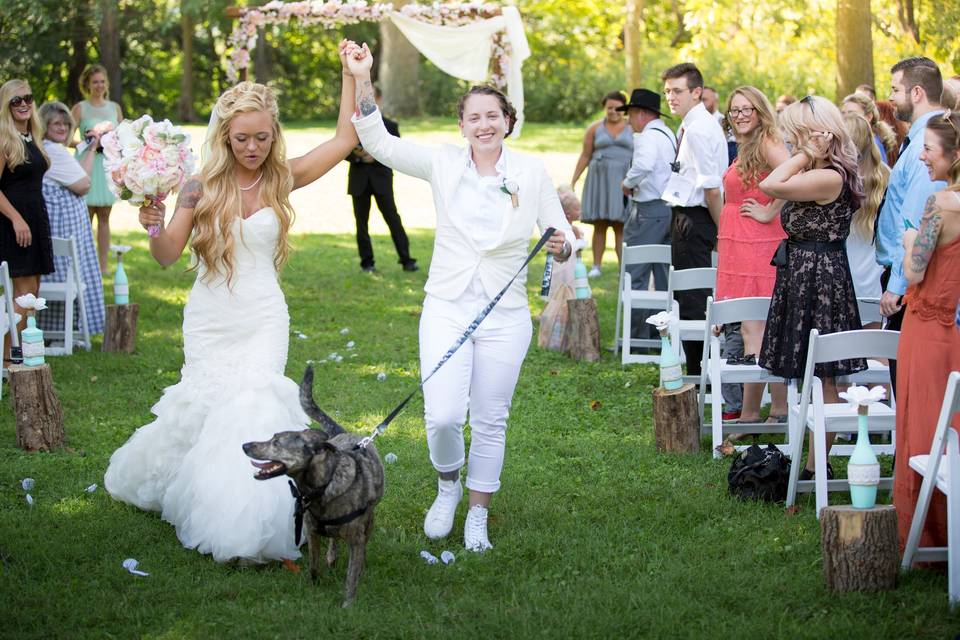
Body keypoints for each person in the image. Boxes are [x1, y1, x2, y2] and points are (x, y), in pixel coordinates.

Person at [103, 42, 361, 565]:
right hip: (211, 319)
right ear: (224, 137)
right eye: (242, 138)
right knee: (210, 407)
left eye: (263, 137)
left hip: (264, 316)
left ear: (275, 134)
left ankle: (254, 520)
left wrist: (350, 74)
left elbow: (345, 136)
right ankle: (198, 493)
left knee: (255, 403)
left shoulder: (281, 177)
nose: (253, 147)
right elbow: (167, 255)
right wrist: (155, 222)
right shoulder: (198, 186)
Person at [349, 45, 573, 553]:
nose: (484, 124)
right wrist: (361, 77)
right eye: (474, 117)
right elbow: (376, 140)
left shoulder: (531, 172)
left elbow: (560, 231)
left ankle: (477, 512)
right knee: (444, 415)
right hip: (447, 306)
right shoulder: (443, 164)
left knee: (491, 418)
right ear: (462, 125)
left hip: (505, 313)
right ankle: (448, 483)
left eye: (492, 115)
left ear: (508, 121)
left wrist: (563, 243)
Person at [758, 95, 866, 479]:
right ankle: (810, 461)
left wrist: (805, 155)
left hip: (820, 278)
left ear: (818, 134)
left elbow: (771, 184)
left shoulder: (829, 176)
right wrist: (807, 154)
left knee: (825, 375)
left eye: (799, 135)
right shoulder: (820, 171)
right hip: (804, 273)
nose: (793, 142)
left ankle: (817, 466)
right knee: (811, 373)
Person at [895, 110, 960, 551]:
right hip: (955, 327)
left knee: (926, 424)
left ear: (955, 157)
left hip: (928, 326)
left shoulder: (940, 204)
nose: (922, 156)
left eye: (929, 150)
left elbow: (915, 271)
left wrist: (907, 240)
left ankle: (928, 536)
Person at [715, 86, 789, 425]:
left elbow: (796, 175)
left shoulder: (767, 142)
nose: (741, 115)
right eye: (735, 110)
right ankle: (760, 411)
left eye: (747, 109)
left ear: (760, 111)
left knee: (759, 326)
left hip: (759, 243)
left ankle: (766, 411)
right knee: (755, 326)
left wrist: (768, 209)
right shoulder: (747, 146)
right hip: (739, 246)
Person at [876, 56, 945, 398]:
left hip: (911, 276)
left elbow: (918, 219)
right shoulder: (919, 138)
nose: (891, 97)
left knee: (907, 377)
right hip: (902, 269)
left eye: (895, 89)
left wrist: (898, 285)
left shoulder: (925, 145)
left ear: (916, 92)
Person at [660, 62, 727, 376]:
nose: (670, 97)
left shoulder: (699, 128)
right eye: (667, 91)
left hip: (696, 218)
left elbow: (712, 188)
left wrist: (723, 230)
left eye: (677, 91)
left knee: (693, 297)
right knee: (689, 294)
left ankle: (700, 374)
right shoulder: (693, 123)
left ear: (697, 92)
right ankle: (698, 368)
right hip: (687, 215)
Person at [36, 101, 105, 335]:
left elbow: (79, 177)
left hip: (57, 230)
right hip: (65, 231)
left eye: (66, 123)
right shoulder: (53, 150)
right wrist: (92, 148)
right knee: (75, 270)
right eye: (56, 123)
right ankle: (74, 329)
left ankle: (55, 329)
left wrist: (90, 147)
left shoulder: (46, 149)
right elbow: (84, 184)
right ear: (44, 125)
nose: (63, 128)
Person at [617, 88, 676, 343]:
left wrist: (627, 183)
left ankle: (638, 334)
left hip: (648, 210)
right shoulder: (668, 134)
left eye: (630, 114)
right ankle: (660, 332)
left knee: (636, 271)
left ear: (641, 113)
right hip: (669, 208)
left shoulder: (646, 136)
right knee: (663, 272)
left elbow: (643, 165)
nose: (629, 120)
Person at [0, 79, 52, 358]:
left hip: (35, 219)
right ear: (6, 106)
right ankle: (8, 358)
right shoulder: (3, 139)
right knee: (22, 295)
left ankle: (20, 353)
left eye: (28, 99)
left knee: (33, 291)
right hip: (13, 223)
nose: (24, 104)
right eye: (16, 101)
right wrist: (17, 219)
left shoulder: (33, 136)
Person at [345, 85, 417, 273]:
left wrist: (375, 156)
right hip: (359, 180)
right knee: (361, 223)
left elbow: (397, 152)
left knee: (393, 219)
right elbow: (343, 152)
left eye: (371, 98)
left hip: (381, 180)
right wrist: (359, 157)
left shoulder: (391, 126)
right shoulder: (352, 126)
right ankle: (367, 262)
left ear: (379, 100)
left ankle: (407, 259)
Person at [571, 91, 631, 277]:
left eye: (618, 108)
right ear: (604, 108)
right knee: (600, 224)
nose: (614, 111)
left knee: (620, 225)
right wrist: (574, 180)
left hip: (623, 180)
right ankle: (596, 266)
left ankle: (624, 269)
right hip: (600, 180)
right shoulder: (594, 128)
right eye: (610, 107)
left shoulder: (633, 127)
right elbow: (585, 155)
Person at [71, 64, 122, 273]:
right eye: (95, 82)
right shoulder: (80, 108)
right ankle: (83, 264)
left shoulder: (114, 108)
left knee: (104, 217)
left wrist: (110, 143)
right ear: (87, 84)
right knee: (85, 218)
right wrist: (88, 142)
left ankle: (102, 266)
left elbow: (122, 137)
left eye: (102, 81)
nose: (99, 86)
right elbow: (66, 137)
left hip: (107, 165)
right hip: (87, 163)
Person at [842, 113, 888, 320]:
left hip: (845, 270)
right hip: (874, 272)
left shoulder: (837, 178)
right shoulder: (887, 175)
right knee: (874, 343)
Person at [840, 92, 898, 165]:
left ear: (869, 117)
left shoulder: (872, 145)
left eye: (852, 113)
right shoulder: (850, 141)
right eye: (843, 113)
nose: (846, 117)